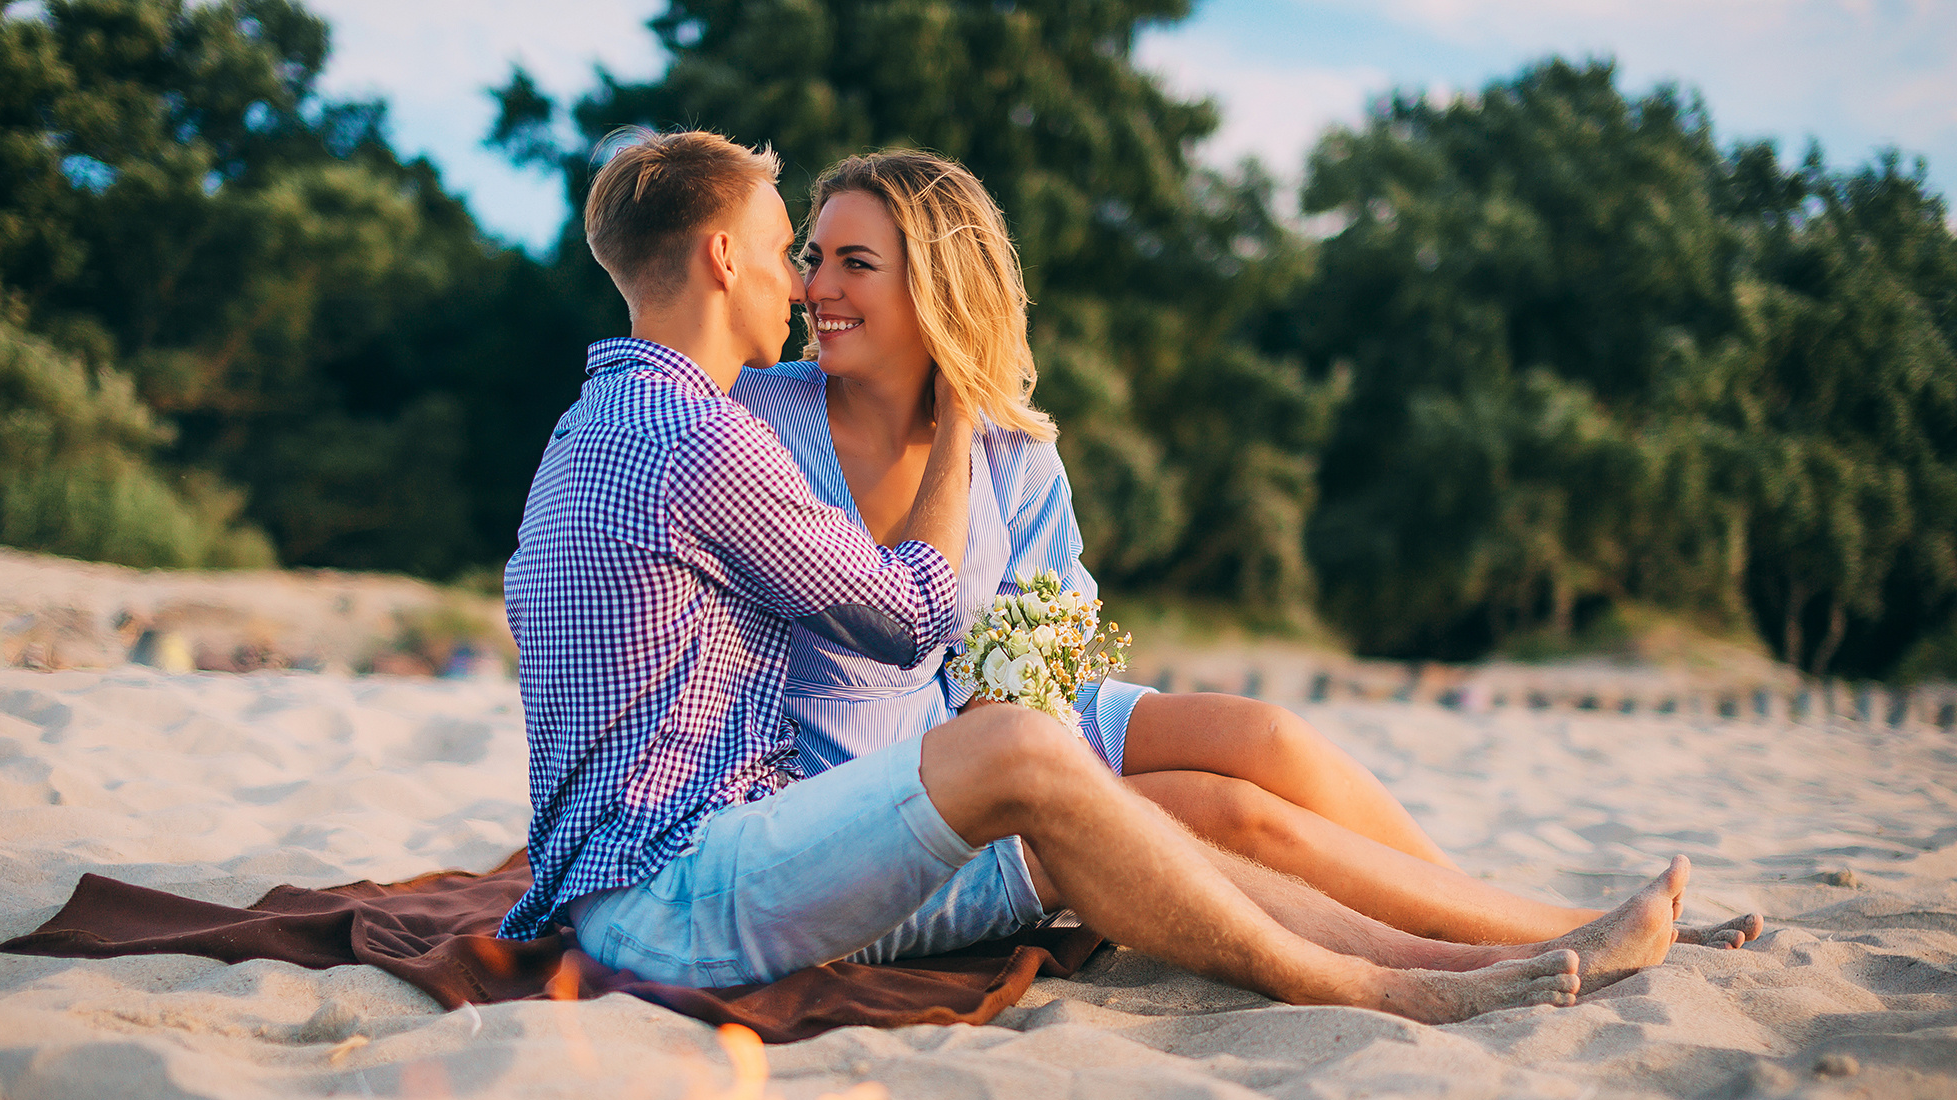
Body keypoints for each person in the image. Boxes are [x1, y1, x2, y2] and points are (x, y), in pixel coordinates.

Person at [496, 126, 1685, 1026]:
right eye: (783, 250)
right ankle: (1383, 983)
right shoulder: (713, 431)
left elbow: (1022, 623)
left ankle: (1480, 949)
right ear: (720, 257)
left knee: (1177, 761)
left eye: (836, 260)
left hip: (705, 849)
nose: (799, 282)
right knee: (1055, 767)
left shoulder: (603, 422)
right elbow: (914, 619)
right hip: (691, 879)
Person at [732, 149, 1761, 956]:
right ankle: (1551, 935)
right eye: (812, 256)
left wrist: (1019, 710)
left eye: (850, 262)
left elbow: (1050, 630)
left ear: (936, 289)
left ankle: (1495, 911)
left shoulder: (1008, 447)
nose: (813, 285)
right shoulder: (760, 423)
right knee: (1230, 814)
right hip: (889, 759)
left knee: (1265, 737)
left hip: (1022, 719)